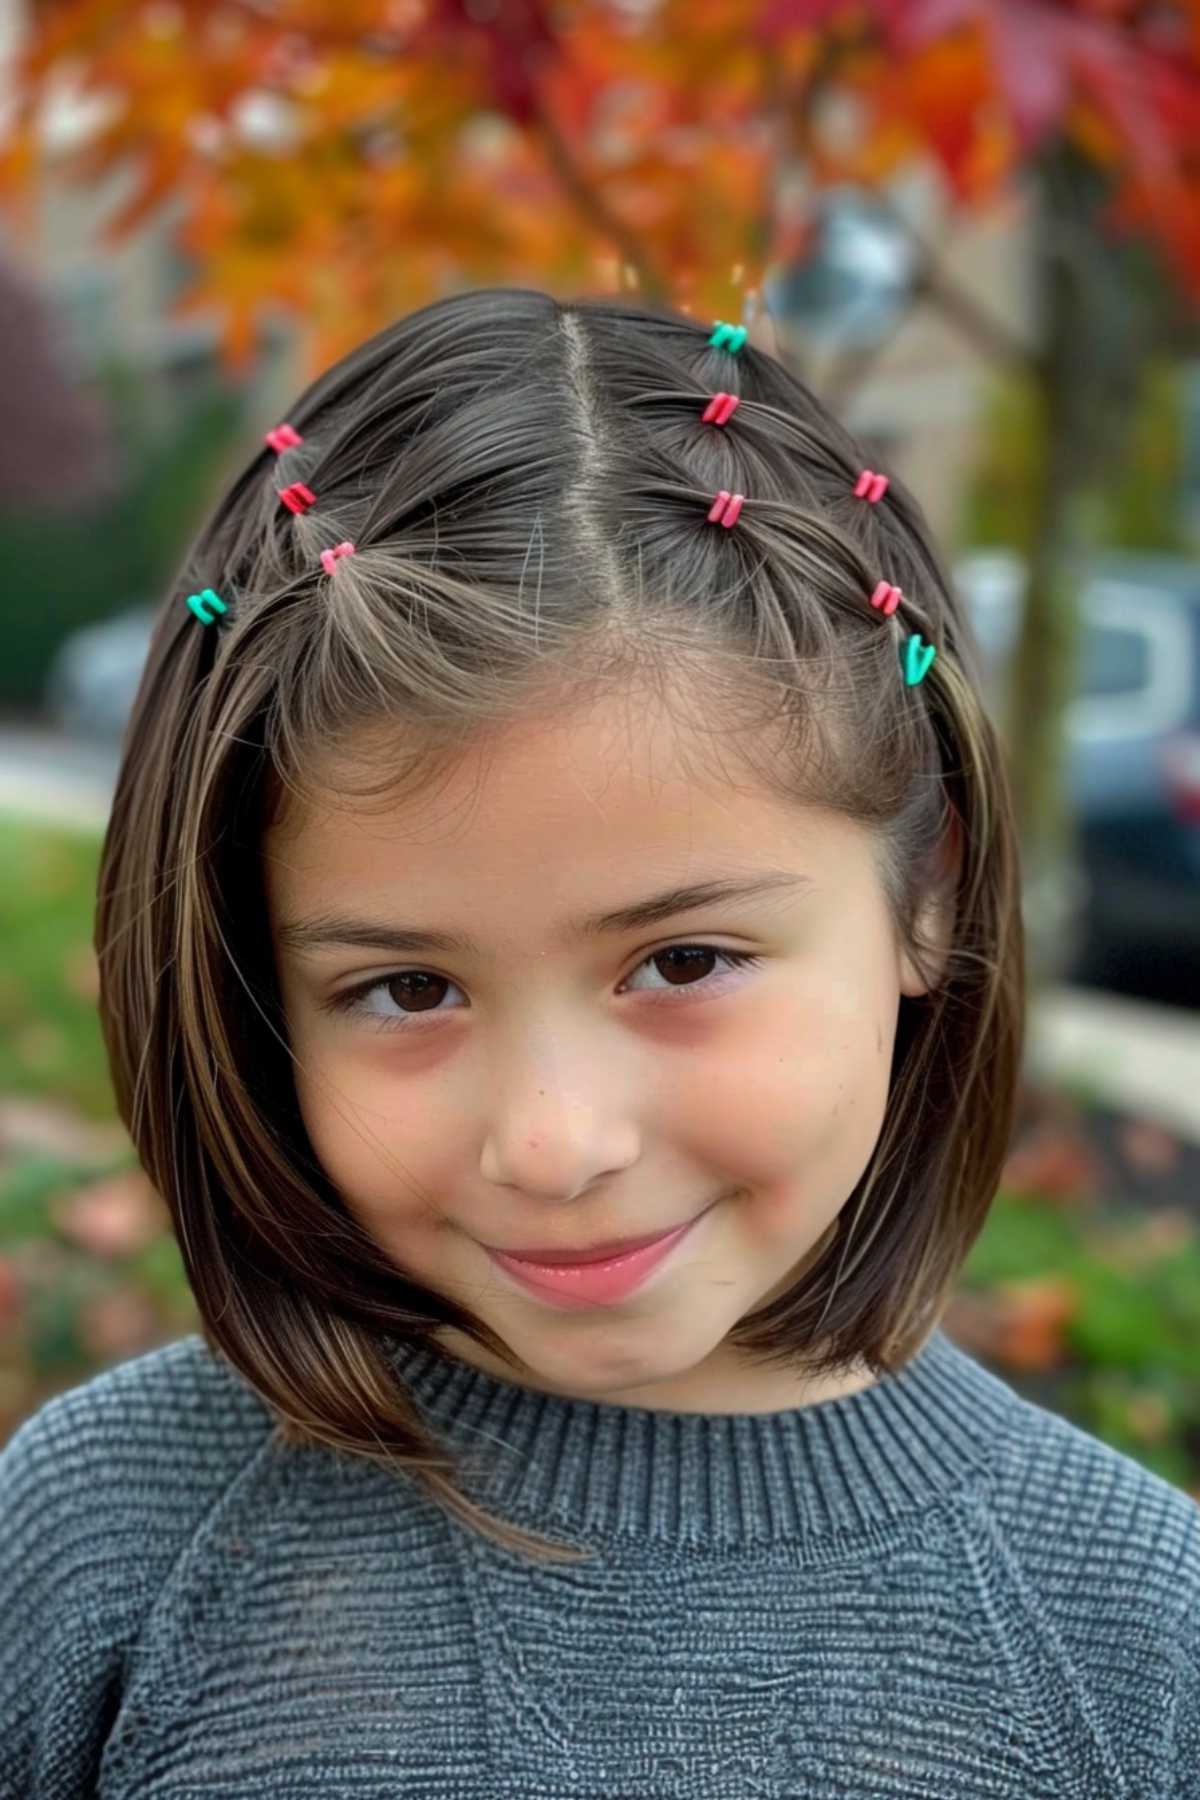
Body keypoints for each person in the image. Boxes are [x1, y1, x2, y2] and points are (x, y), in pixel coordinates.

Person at [1, 288, 1195, 1798]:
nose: (557, 1145)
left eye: (683, 961)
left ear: (929, 892)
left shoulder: (1137, 1642)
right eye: (407, 991)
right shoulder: (105, 1542)